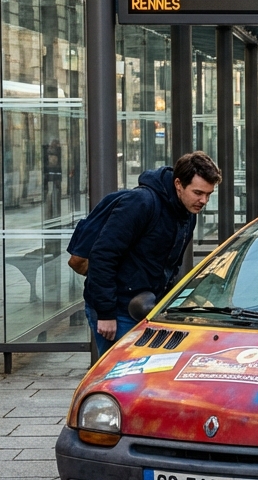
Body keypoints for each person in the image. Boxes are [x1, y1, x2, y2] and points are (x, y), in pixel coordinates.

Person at [84, 151, 221, 355]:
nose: (204, 200)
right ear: (178, 184)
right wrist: (105, 313)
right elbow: (103, 255)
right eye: (198, 192)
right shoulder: (141, 203)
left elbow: (170, 263)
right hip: (116, 309)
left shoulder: (187, 212)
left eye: (208, 194)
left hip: (147, 307)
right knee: (119, 378)